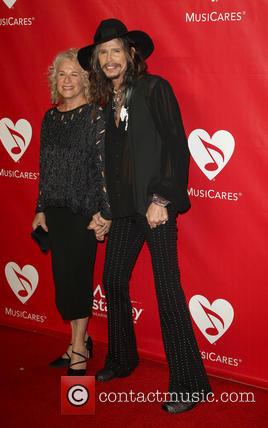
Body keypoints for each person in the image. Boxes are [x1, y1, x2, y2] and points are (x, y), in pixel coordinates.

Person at [78, 19, 212, 412]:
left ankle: (191, 383)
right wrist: (106, 212)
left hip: (155, 209)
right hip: (124, 213)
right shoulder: (109, 104)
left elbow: (176, 145)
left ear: (131, 54)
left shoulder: (156, 89)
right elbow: (114, 167)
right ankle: (122, 359)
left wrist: (161, 198)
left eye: (115, 50)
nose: (108, 58)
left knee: (168, 290)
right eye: (102, 53)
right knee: (114, 279)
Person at [32, 48, 111, 376]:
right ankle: (79, 340)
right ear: (55, 79)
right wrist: (39, 209)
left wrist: (105, 212)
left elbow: (105, 168)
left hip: (84, 211)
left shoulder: (95, 116)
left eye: (74, 74)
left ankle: (78, 347)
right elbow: (44, 166)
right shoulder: (50, 118)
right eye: (61, 74)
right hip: (57, 211)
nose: (67, 80)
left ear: (86, 80)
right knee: (64, 282)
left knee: (78, 281)